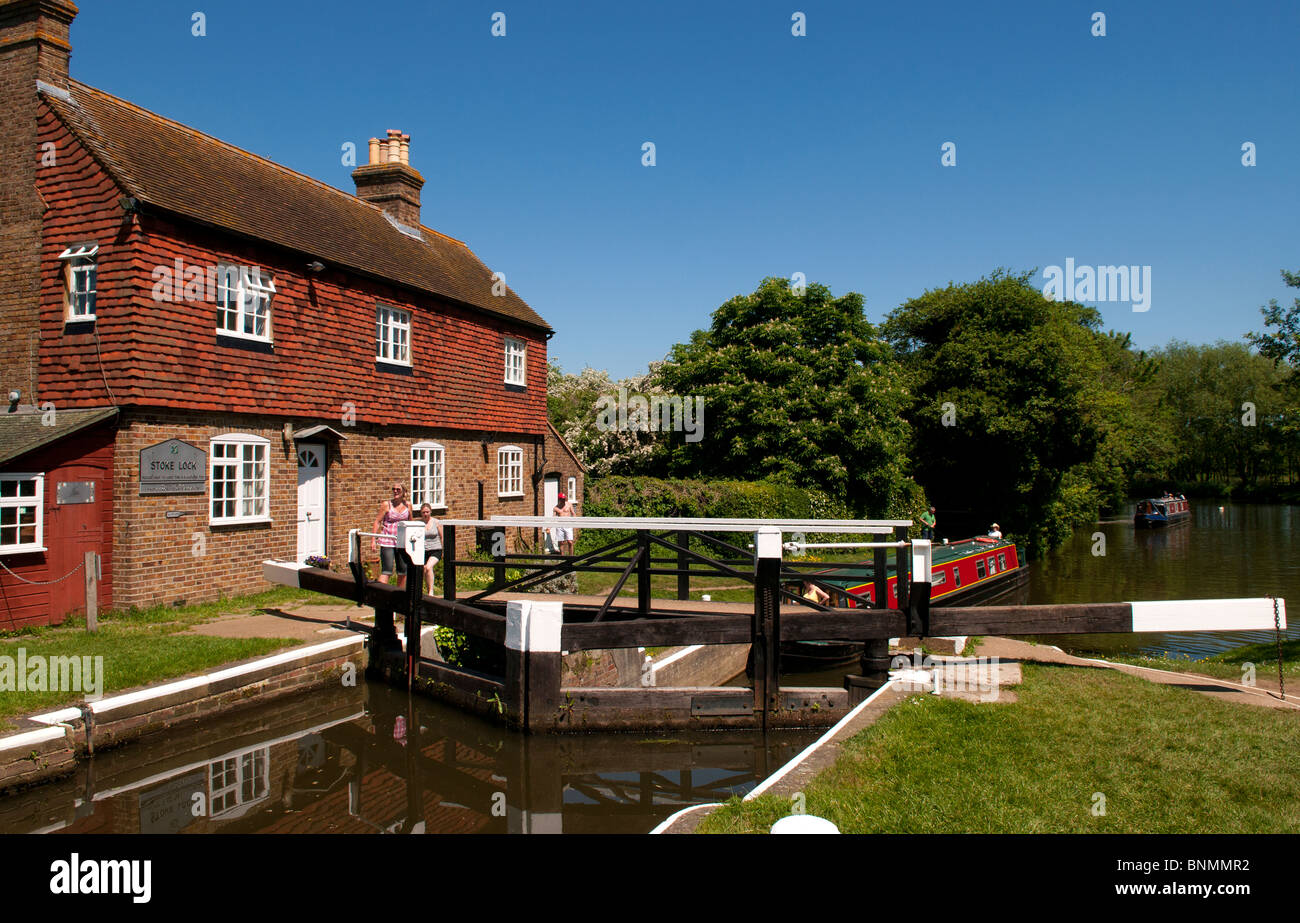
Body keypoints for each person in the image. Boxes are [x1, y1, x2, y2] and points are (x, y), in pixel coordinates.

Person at [371, 483, 411, 588]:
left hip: (402, 541)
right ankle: (380, 595)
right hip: (388, 540)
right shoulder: (387, 504)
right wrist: (373, 540)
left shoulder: (408, 505)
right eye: (393, 489)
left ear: (403, 491)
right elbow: (377, 521)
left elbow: (411, 522)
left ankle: (400, 597)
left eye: (398, 489)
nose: (395, 491)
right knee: (386, 570)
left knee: (403, 571)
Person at [418, 502, 443, 590]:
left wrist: (443, 550)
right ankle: (427, 589)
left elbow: (442, 537)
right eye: (423, 512)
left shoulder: (436, 522)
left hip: (436, 549)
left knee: (428, 567)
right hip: (424, 550)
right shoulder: (419, 523)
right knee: (424, 570)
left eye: (427, 512)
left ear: (431, 512)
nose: (425, 514)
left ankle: (431, 592)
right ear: (421, 513)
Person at [552, 490, 576, 556]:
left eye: (564, 499)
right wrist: (549, 526)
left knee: (570, 542)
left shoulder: (569, 504)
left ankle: (571, 557)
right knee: (561, 542)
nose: (563, 500)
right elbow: (553, 518)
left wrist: (574, 522)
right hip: (560, 525)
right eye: (562, 499)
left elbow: (573, 513)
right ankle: (562, 556)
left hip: (568, 524)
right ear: (559, 499)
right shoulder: (556, 508)